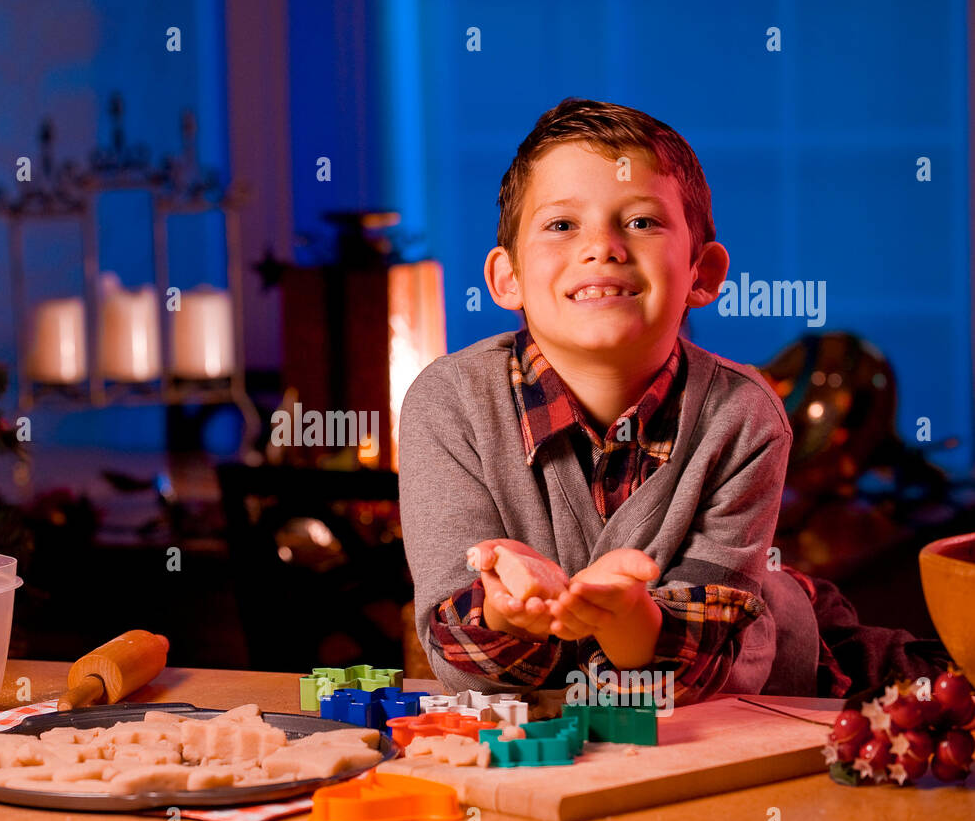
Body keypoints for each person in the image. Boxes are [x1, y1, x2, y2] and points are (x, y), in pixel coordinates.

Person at [398, 98, 946, 704]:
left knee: (939, 699)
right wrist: (507, 612)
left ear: (702, 273)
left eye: (640, 222)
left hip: (791, 682)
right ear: (509, 279)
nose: (602, 246)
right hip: (579, 724)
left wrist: (630, 618)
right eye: (561, 225)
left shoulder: (743, 415)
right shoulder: (447, 404)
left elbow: (699, 675)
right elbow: (458, 653)